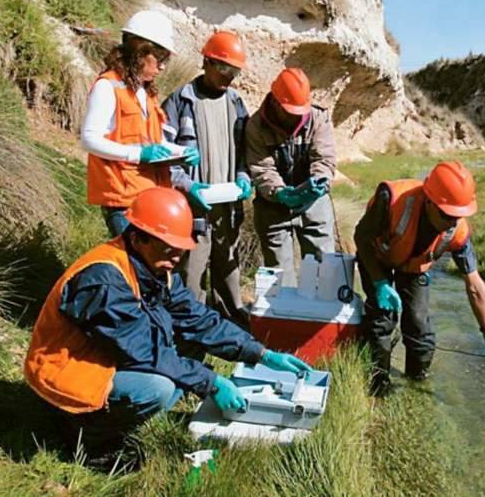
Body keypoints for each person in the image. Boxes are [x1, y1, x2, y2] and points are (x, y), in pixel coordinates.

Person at [23, 188, 311, 459]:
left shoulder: (155, 269)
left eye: (181, 249)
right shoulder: (104, 278)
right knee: (156, 388)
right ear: (138, 238)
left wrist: (260, 354)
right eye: (169, 248)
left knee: (191, 347)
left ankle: (129, 418)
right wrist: (211, 383)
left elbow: (200, 321)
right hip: (67, 373)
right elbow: (144, 351)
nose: (177, 257)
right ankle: (88, 440)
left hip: (110, 352)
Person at [353, 161, 485, 395]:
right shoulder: (391, 198)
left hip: (414, 267)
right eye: (446, 215)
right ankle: (378, 387)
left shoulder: (458, 231)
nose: (451, 222)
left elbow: (474, 285)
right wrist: (379, 282)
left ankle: (416, 388)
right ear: (429, 200)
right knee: (382, 320)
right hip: (376, 256)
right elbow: (361, 236)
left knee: (419, 328)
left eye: (457, 216)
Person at [81, 9, 199, 236]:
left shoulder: (147, 93)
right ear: (139, 51)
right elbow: (89, 139)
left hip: (151, 196)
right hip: (123, 201)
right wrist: (137, 155)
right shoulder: (108, 87)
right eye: (160, 58)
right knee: (135, 265)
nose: (163, 67)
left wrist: (182, 151)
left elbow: (153, 145)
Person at [162, 30, 252, 326]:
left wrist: (242, 177)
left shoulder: (237, 104)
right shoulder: (179, 102)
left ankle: (232, 334)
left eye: (235, 71)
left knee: (229, 275)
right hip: (193, 212)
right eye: (224, 69)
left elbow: (245, 153)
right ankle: (189, 336)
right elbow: (165, 161)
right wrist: (189, 187)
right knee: (191, 280)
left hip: (228, 211)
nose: (229, 77)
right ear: (207, 62)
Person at [245, 67, 336, 285]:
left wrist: (319, 181)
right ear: (276, 102)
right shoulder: (256, 126)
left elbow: (325, 158)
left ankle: (319, 318)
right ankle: (283, 318)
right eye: (290, 111)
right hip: (273, 207)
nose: (297, 116)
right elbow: (261, 168)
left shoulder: (318, 118)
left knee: (324, 275)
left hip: (314, 203)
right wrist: (280, 193)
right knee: (279, 281)